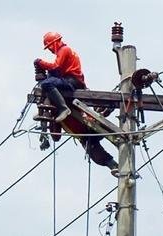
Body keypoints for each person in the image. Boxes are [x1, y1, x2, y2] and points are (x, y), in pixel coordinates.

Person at [34, 32, 119, 176]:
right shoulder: (56, 115)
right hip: (83, 132)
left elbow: (56, 67)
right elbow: (56, 136)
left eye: (49, 47)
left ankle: (119, 154)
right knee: (95, 152)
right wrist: (45, 131)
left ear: (54, 43)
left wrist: (40, 63)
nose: (50, 50)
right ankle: (115, 166)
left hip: (75, 89)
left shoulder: (64, 50)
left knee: (47, 84)